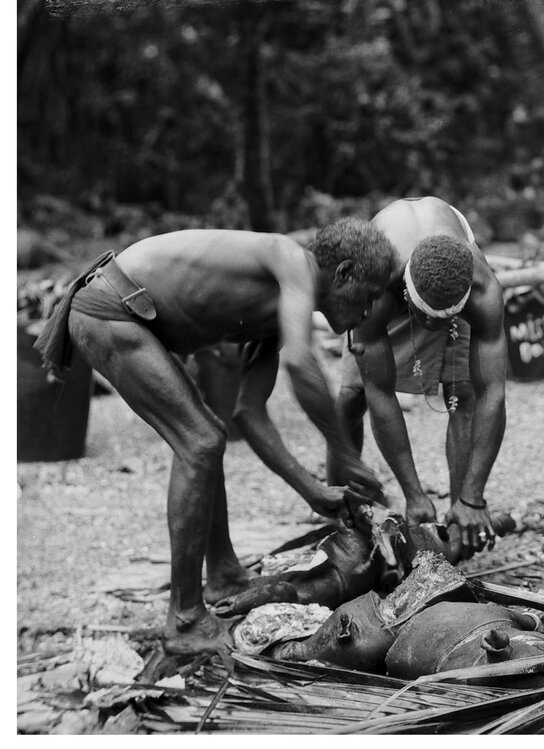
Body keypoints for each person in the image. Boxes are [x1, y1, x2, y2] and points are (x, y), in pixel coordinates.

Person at [33, 222, 396, 654]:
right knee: (199, 442)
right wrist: (344, 453)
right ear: (344, 274)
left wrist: (311, 489)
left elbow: (251, 413)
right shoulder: (291, 260)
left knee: (207, 435)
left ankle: (224, 576)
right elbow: (301, 364)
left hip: (128, 315)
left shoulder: (279, 311)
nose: (371, 310)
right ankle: (184, 620)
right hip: (111, 310)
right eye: (370, 295)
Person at [338, 197, 507, 558]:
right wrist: (413, 495)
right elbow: (379, 393)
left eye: (445, 318)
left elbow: (492, 392)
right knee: (352, 393)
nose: (433, 327)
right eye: (426, 316)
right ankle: (343, 497)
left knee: (463, 392)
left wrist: (473, 497)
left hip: (445, 274)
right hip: (389, 271)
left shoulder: (482, 288)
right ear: (407, 295)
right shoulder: (374, 283)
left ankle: (462, 517)